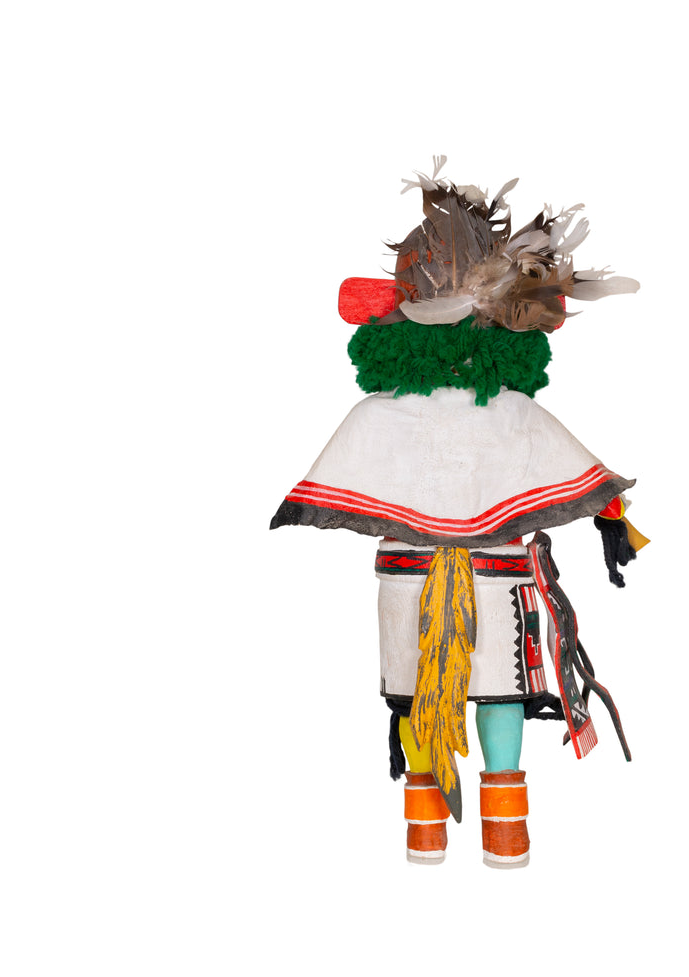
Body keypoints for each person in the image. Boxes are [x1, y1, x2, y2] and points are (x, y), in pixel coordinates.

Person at [271, 158, 646, 867]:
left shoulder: (381, 413)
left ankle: (426, 830)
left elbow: (328, 484)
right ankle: (506, 830)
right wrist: (612, 515)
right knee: (498, 693)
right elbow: (585, 476)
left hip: (411, 579)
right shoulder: (511, 411)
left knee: (421, 698)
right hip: (497, 573)